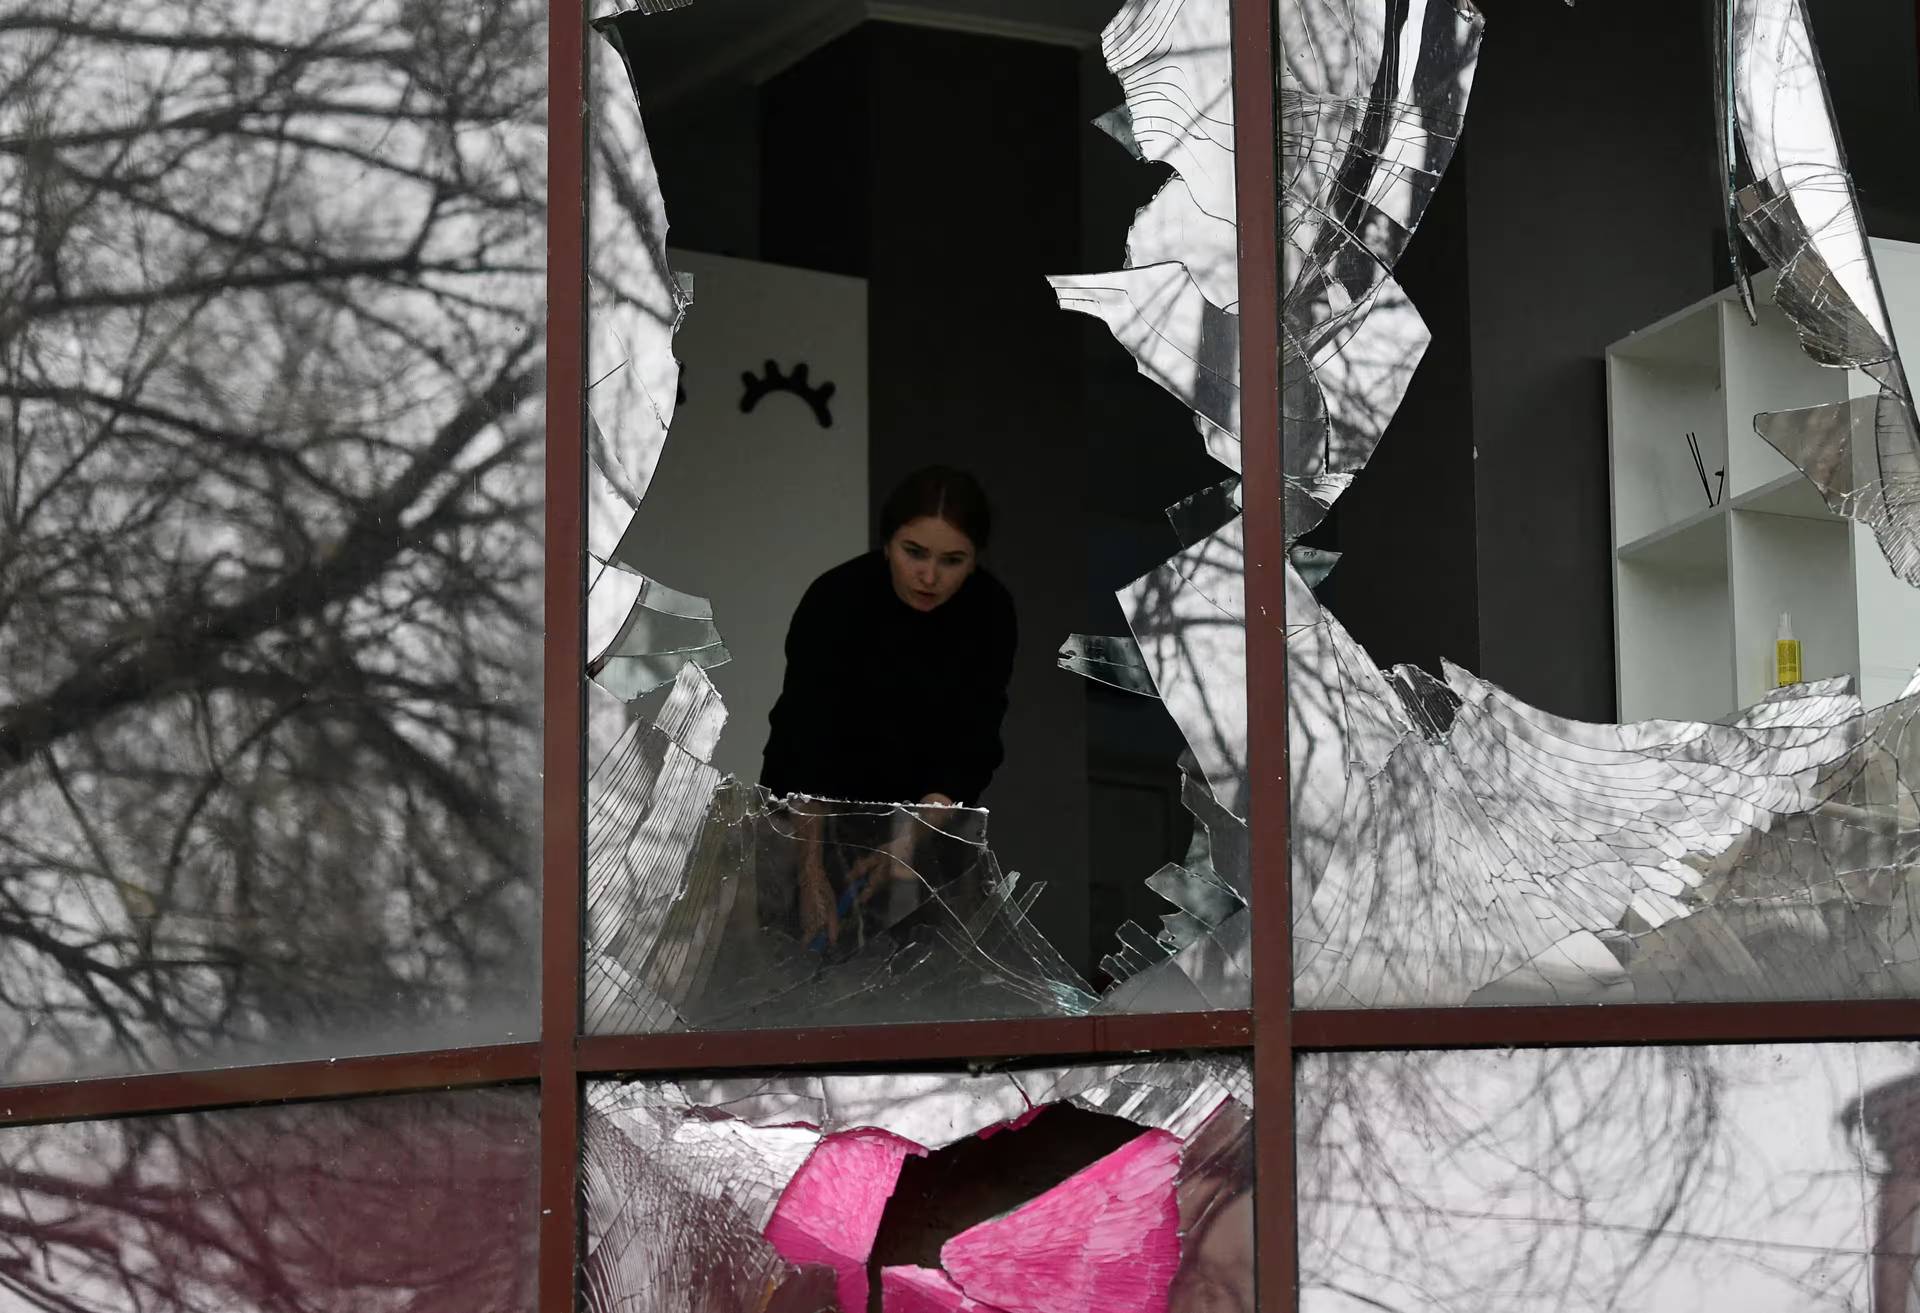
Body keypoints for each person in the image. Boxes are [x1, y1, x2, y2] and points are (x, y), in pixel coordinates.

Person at [760, 465, 1017, 951]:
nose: (929, 576)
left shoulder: (989, 611)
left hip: (928, 820)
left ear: (975, 559)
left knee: (916, 978)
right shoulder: (837, 599)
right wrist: (810, 872)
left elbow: (974, 740)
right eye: (914, 553)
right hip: (812, 818)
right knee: (795, 964)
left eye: (953, 560)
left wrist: (910, 839)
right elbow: (803, 738)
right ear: (887, 543)